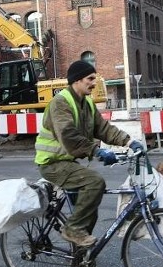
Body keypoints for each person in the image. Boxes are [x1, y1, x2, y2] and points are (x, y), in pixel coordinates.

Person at [34, 60, 144, 248]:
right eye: (90, 78)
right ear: (77, 80)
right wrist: (96, 150)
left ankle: (83, 254)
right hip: (52, 164)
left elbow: (104, 129)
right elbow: (69, 136)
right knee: (95, 182)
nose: (94, 82)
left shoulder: (87, 104)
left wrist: (129, 141)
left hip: (68, 163)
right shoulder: (60, 103)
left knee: (90, 210)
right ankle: (72, 230)